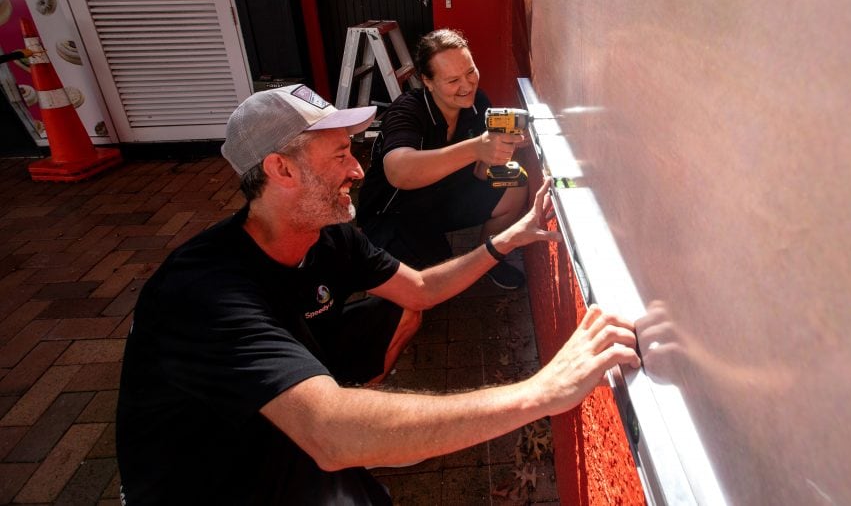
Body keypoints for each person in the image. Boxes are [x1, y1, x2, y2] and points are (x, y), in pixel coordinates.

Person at [115, 84, 640, 505]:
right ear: (281, 169)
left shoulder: (328, 236)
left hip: (287, 418)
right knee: (346, 461)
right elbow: (328, 434)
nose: (358, 170)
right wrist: (544, 391)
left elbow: (421, 289)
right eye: (341, 155)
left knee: (393, 314)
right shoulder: (202, 292)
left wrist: (507, 240)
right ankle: (358, 428)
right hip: (210, 479)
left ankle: (362, 424)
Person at [356, 29, 529, 289]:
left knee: (515, 184)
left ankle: (488, 260)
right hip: (395, 212)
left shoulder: (477, 103)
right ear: (428, 81)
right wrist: (476, 148)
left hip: (442, 198)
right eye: (453, 80)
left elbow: (480, 173)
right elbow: (399, 172)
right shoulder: (407, 110)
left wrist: (502, 149)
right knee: (429, 287)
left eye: (470, 72)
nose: (467, 86)